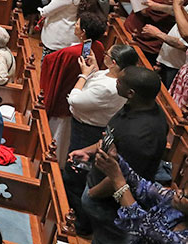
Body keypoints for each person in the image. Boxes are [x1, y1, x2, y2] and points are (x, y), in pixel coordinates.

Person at [70, 66, 169, 243]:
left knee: (105, 239)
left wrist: (92, 195)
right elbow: (111, 136)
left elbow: (124, 177)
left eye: (119, 82)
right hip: (99, 184)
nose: (115, 81)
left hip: (109, 203)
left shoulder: (142, 135)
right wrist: (88, 151)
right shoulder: (136, 106)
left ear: (131, 92)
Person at [64, 45, 137, 233]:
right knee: (77, 172)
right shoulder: (117, 77)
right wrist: (94, 68)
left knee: (77, 175)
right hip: (88, 127)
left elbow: (74, 100)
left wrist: (83, 75)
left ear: (113, 62)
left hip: (88, 130)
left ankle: (80, 224)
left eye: (106, 55)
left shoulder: (110, 88)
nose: (103, 55)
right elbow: (100, 77)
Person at [39, 11, 107, 166]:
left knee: (58, 137)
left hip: (65, 97)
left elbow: (50, 62)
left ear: (83, 32)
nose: (74, 26)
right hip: (82, 95)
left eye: (77, 24)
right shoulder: (98, 46)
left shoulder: (70, 53)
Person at [90, 142, 188, 243]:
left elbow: (144, 229)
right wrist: (116, 159)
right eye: (182, 189)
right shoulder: (174, 198)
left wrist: (118, 181)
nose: (177, 193)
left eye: (185, 195)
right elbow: (142, 187)